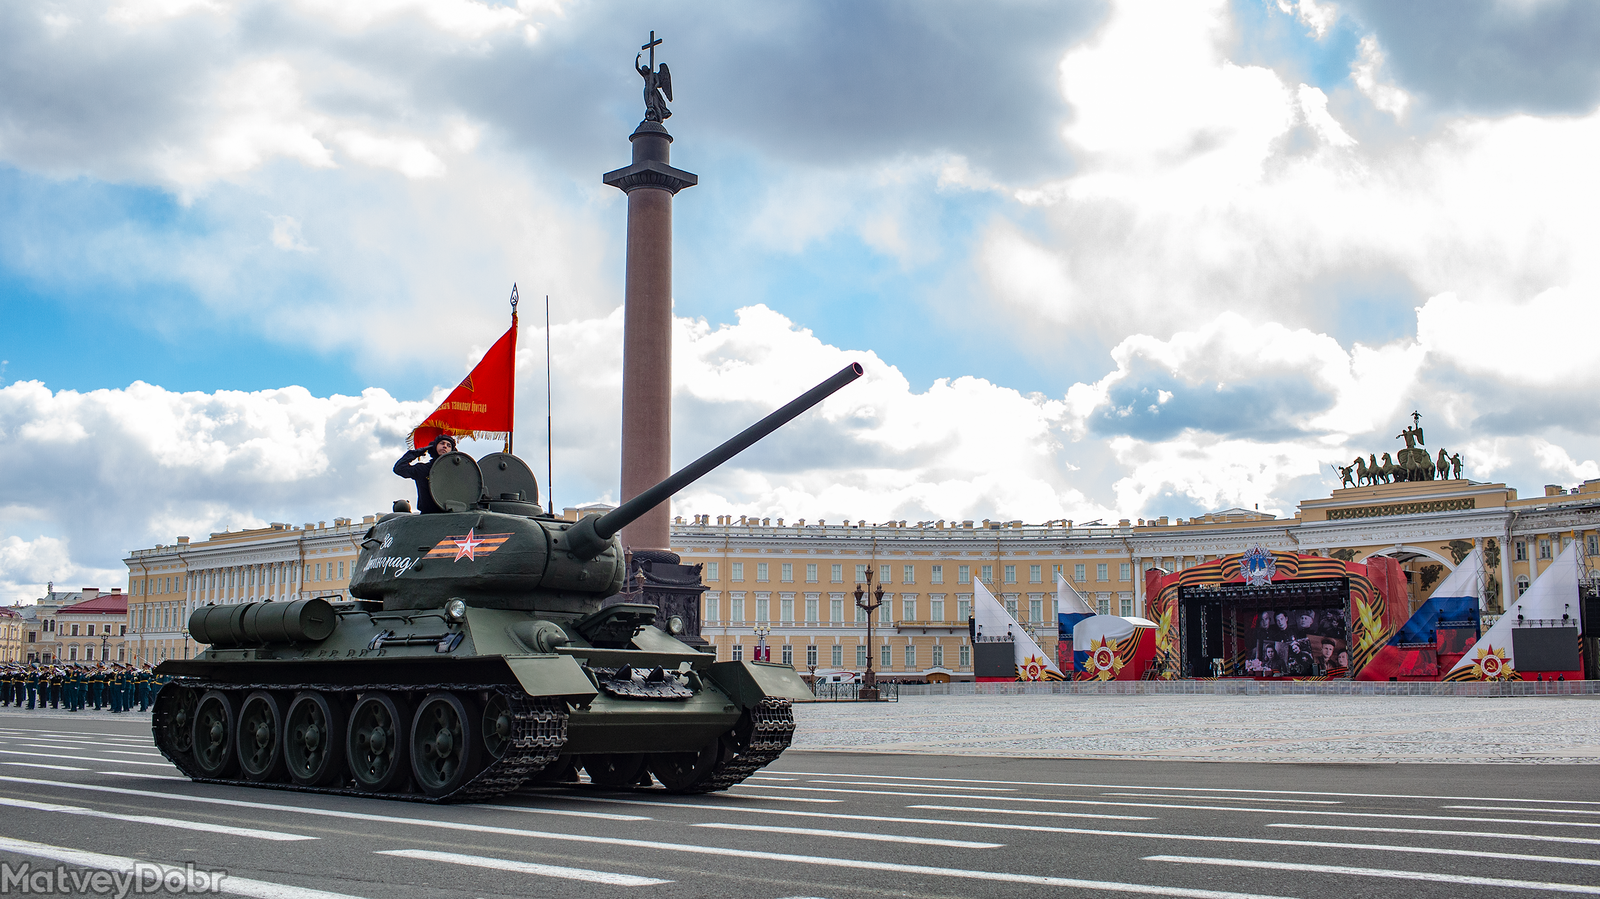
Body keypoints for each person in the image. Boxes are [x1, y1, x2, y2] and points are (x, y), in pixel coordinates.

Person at [393, 435, 458, 514]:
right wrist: (416, 453)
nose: (445, 446)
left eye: (449, 445)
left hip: (450, 515)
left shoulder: (455, 472)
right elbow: (399, 468)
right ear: (434, 446)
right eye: (442, 443)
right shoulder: (422, 469)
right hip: (427, 515)